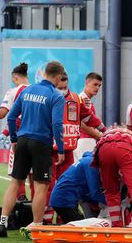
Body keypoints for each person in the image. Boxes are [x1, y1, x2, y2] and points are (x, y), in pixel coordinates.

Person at [0, 61, 65, 238]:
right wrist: (61, 149)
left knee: (15, 182)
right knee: (41, 186)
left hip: (23, 140)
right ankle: (37, 225)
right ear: (58, 77)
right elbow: (57, 124)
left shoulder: (27, 90)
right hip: (41, 143)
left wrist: (13, 139)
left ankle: (2, 222)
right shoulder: (56, 96)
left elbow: (11, 117)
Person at [43, 72, 106, 223]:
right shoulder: (48, 97)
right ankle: (44, 220)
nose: (63, 90)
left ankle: (62, 218)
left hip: (69, 148)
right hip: (51, 149)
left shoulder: (75, 99)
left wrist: (105, 130)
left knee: (67, 181)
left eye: (65, 87)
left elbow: (89, 117)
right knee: (48, 186)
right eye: (60, 87)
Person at [92, 128, 132, 228]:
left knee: (111, 191)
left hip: (103, 149)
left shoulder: (112, 134)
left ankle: (116, 226)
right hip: (125, 148)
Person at [0, 62, 30, 200]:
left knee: (17, 177)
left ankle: (21, 205)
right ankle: (39, 216)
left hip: (20, 138)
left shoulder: (13, 92)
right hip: (38, 140)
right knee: (37, 180)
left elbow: (3, 114)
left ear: (15, 77)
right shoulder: (37, 90)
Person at [49, 151, 106, 223]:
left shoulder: (87, 160)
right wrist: (112, 203)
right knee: (80, 229)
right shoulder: (91, 164)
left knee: (79, 225)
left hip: (63, 198)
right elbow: (95, 193)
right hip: (64, 200)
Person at [73, 72, 104, 162]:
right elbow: (81, 124)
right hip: (85, 140)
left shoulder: (82, 98)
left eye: (99, 85)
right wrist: (100, 135)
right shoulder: (84, 100)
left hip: (83, 140)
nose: (97, 88)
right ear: (87, 83)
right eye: (95, 84)